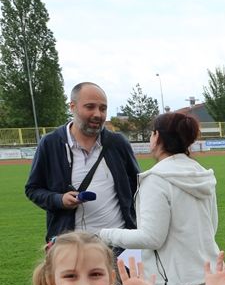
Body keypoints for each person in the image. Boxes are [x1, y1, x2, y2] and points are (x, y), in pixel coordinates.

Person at [98, 111, 219, 285]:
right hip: (210, 277)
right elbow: (212, 226)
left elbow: (151, 237)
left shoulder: (156, 180)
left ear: (158, 137)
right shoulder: (202, 174)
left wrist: (104, 234)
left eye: (152, 133)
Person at [25, 82, 140, 242]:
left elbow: (137, 187)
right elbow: (33, 189)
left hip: (117, 244)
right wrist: (59, 200)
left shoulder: (117, 143)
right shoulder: (50, 143)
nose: (98, 114)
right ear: (72, 107)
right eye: (90, 107)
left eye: (103, 108)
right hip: (72, 247)